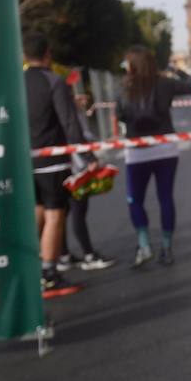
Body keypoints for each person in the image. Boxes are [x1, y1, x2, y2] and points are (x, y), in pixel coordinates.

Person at [22, 32, 92, 297]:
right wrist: (87, 156)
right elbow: (69, 122)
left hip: (26, 160)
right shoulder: (54, 81)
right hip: (52, 160)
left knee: (37, 211)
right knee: (55, 215)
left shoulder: (17, 82)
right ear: (48, 53)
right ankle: (49, 272)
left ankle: (31, 267)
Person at [115, 46, 191, 267]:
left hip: (137, 151)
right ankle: (167, 247)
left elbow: (120, 114)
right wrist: (175, 69)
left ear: (131, 65)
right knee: (165, 198)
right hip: (165, 148)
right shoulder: (165, 83)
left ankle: (144, 246)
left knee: (135, 200)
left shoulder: (125, 86)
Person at [61, 91, 117, 271]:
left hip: (62, 165)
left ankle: (63, 255)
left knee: (63, 211)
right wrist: (90, 157)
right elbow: (77, 134)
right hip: (75, 166)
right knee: (77, 209)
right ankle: (88, 255)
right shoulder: (67, 112)